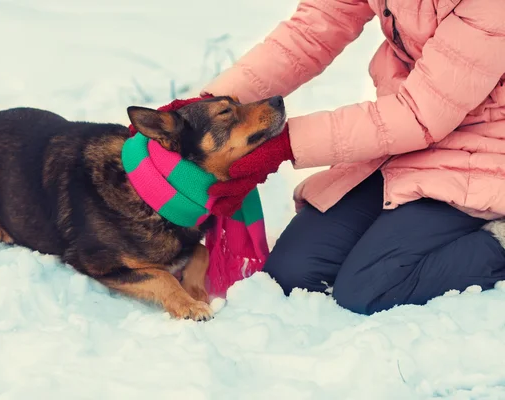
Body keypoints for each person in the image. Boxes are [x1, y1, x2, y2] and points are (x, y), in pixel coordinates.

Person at [197, 0, 505, 315]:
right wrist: (206, 109)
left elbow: (419, 115)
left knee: (367, 290)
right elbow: (309, 33)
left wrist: (284, 146)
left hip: (483, 154)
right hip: (403, 143)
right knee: (293, 274)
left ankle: (498, 243)